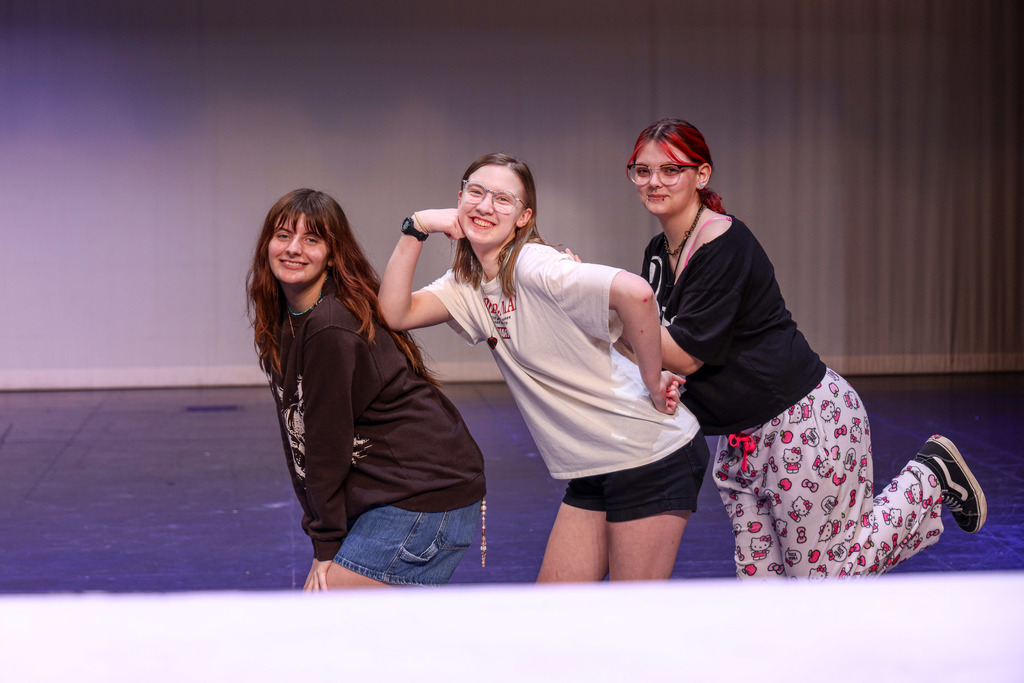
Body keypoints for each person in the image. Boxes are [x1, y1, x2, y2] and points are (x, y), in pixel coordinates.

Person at [626, 118, 988, 578]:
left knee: (825, 584)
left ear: (701, 175)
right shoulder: (658, 253)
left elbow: (683, 352)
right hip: (740, 439)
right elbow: (655, 348)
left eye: (670, 169)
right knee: (768, 598)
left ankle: (929, 478)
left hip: (801, 422)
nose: (654, 181)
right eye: (642, 170)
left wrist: (608, 306)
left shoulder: (723, 242)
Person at [379, 153, 710, 582]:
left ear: (524, 217)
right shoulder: (467, 283)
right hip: (594, 464)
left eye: (503, 199)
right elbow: (394, 313)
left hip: (649, 455)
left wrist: (652, 381)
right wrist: (418, 225)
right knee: (553, 614)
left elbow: (637, 294)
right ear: (459, 198)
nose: (484, 206)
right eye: (476, 193)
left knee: (632, 619)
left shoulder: (536, 266)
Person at [246, 188, 486, 589]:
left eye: (311, 239)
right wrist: (324, 534)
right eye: (283, 235)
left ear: (332, 252)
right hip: (401, 491)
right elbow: (299, 434)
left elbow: (324, 444)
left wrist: (325, 542)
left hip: (425, 496)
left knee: (328, 615)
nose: (293, 249)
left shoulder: (330, 325)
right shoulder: (287, 319)